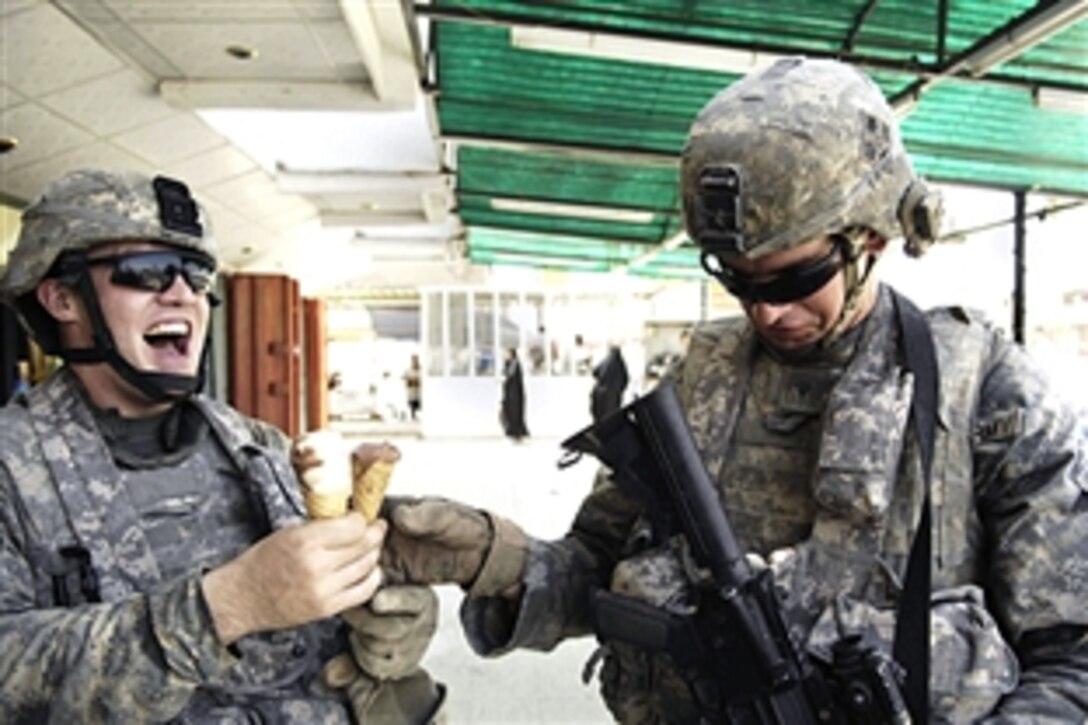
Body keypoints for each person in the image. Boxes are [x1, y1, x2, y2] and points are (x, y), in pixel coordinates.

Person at [377, 58, 1087, 723]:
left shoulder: (986, 392)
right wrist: (487, 555)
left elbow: (1073, 660)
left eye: (793, 279)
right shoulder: (703, 379)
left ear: (873, 236)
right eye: (737, 278)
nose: (766, 310)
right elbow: (595, 565)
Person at [0, 169, 444, 723]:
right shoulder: (13, 469)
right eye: (148, 272)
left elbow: (336, 613)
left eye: (196, 274)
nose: (184, 294)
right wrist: (222, 609)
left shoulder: (260, 448)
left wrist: (387, 623)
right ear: (62, 298)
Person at [589, 343, 629, 422]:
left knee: (599, 417)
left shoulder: (605, 360)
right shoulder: (621, 364)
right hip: (613, 396)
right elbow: (626, 379)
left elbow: (594, 372)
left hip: (600, 394)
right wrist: (619, 390)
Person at [499, 347, 529, 441]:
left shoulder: (515, 364)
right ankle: (512, 431)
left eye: (506, 353)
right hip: (509, 394)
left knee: (515, 413)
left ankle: (517, 432)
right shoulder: (508, 364)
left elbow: (509, 376)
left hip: (515, 395)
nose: (504, 356)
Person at [403, 354, 422, 421]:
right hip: (411, 394)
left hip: (420, 395)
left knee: (420, 408)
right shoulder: (408, 370)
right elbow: (406, 380)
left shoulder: (422, 370)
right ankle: (413, 417)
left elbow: (422, 381)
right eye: (413, 360)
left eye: (416, 360)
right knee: (412, 409)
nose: (414, 362)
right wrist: (410, 381)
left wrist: (416, 381)